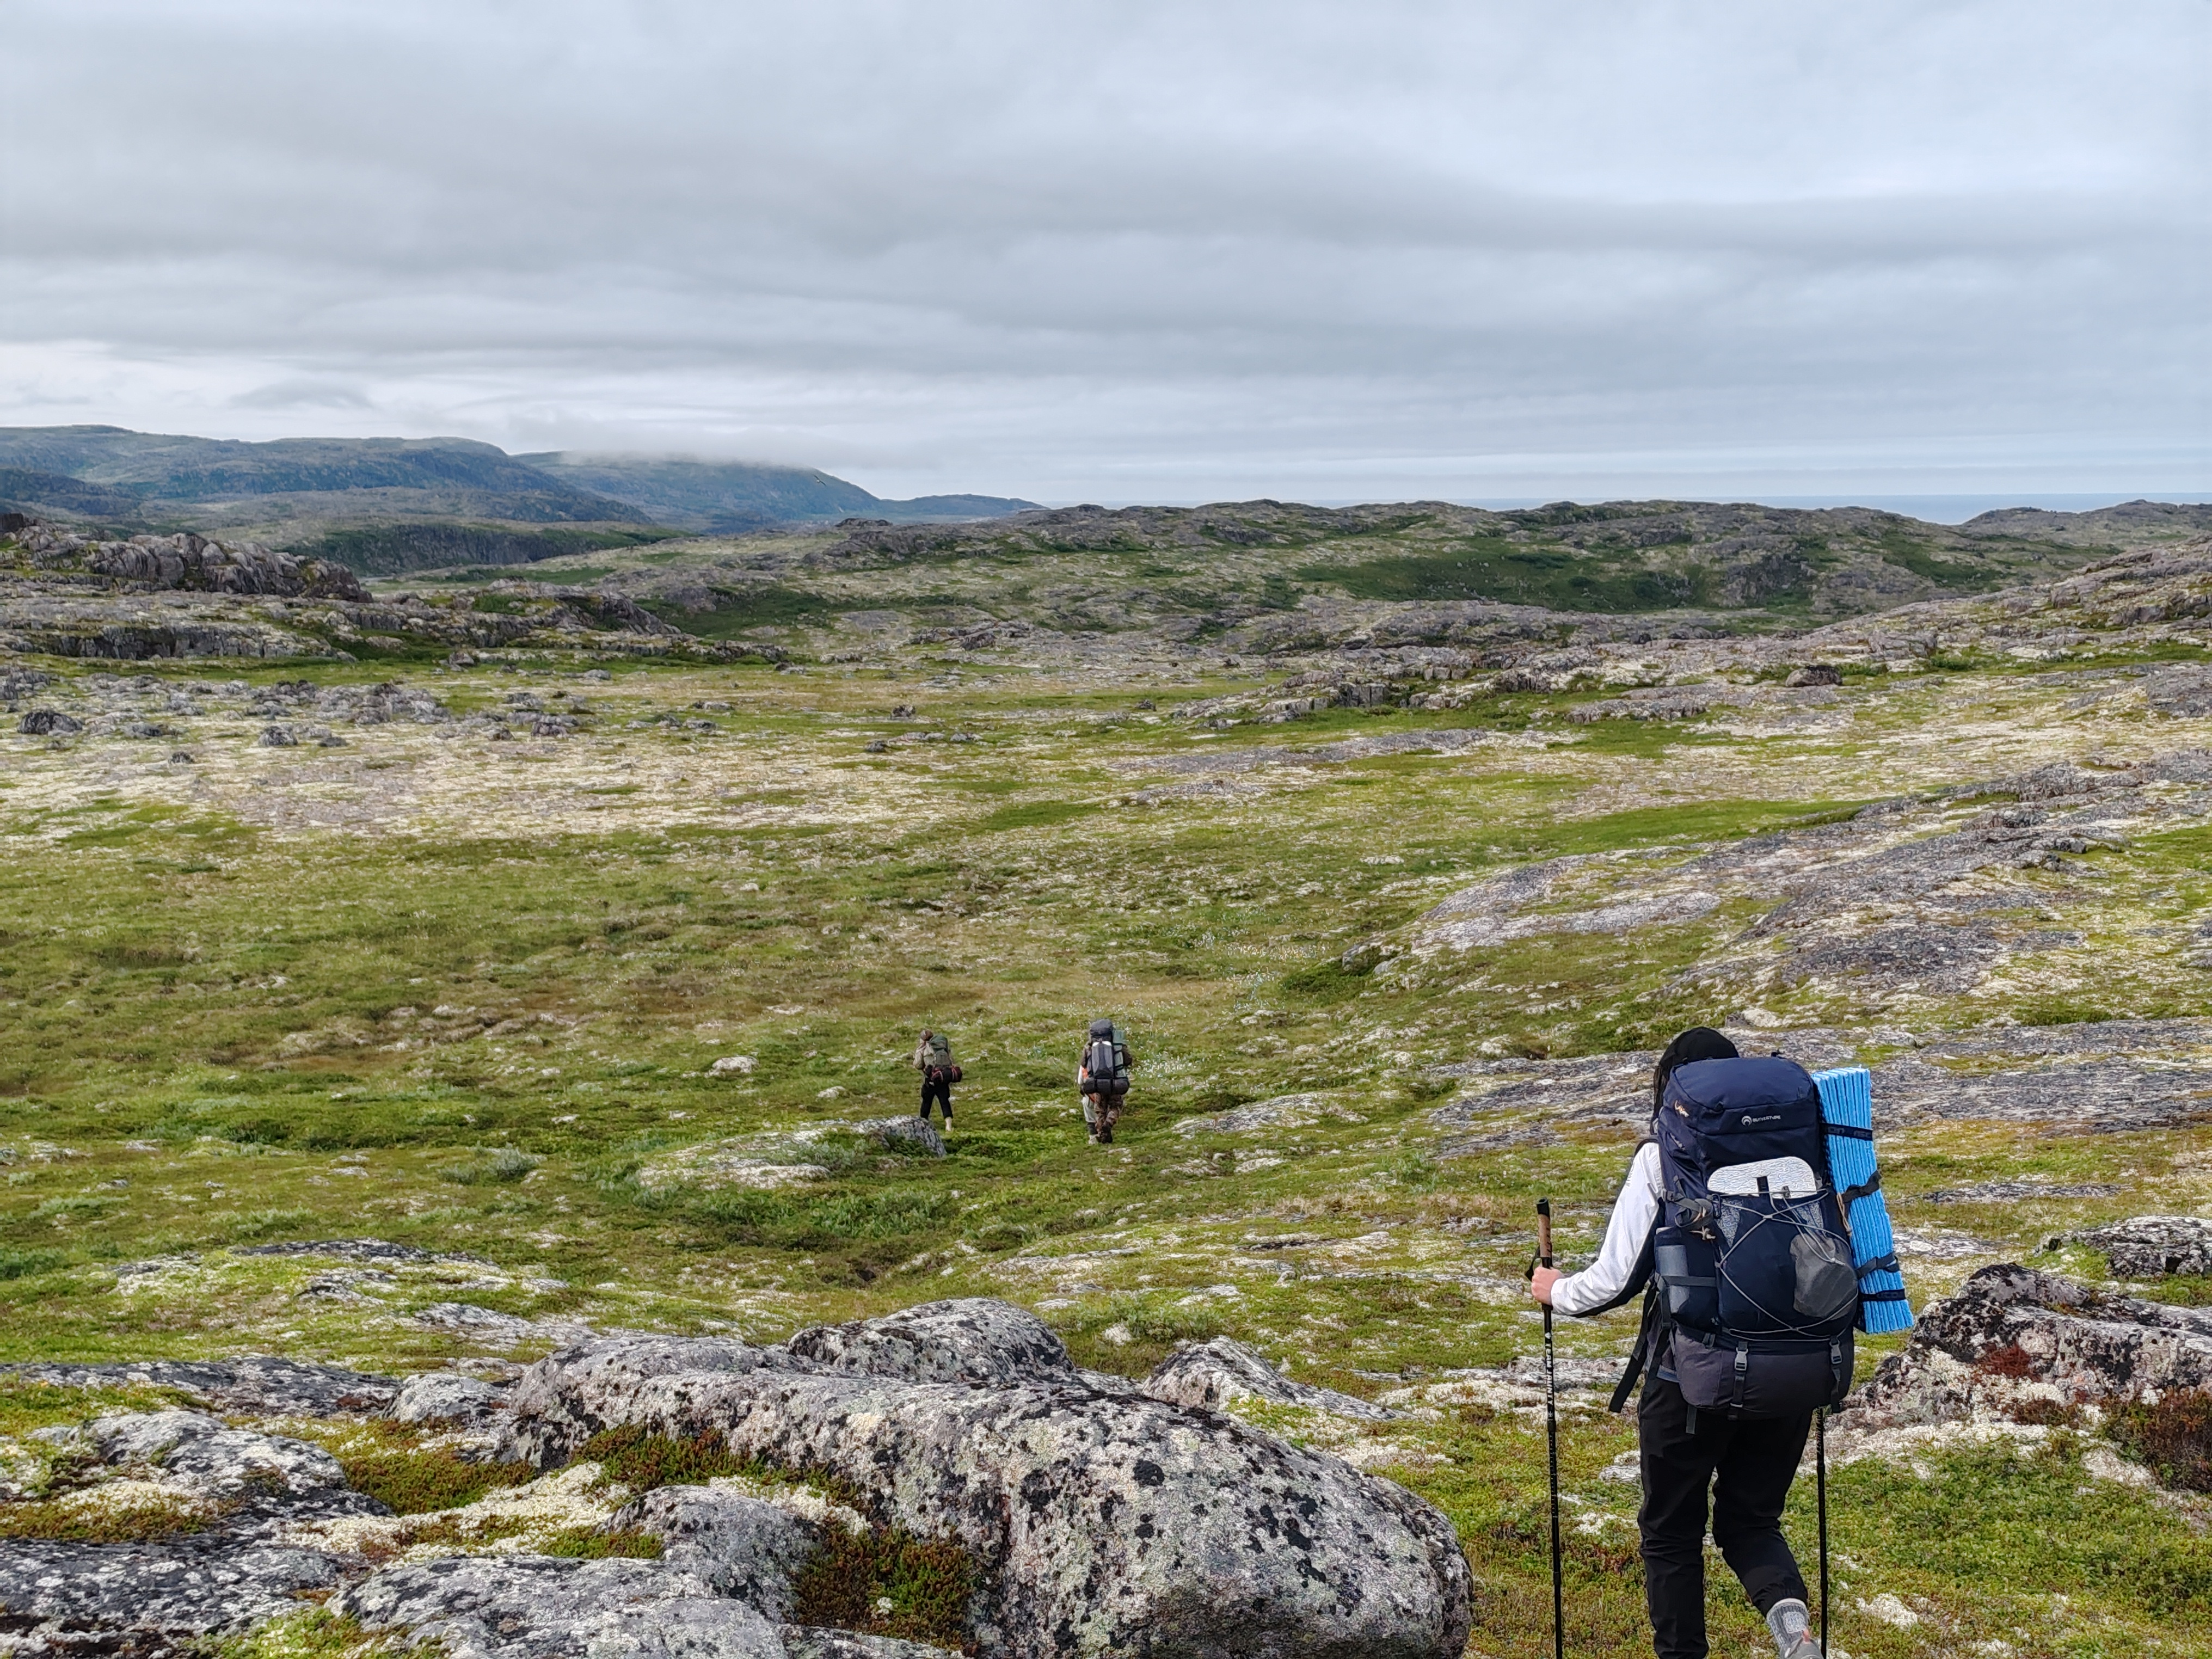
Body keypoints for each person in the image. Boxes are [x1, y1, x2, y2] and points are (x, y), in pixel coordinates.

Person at [1529, 1027, 1827, 1659]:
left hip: (1689, 1378)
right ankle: (1793, 1630)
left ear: (1673, 1088)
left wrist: (1551, 1290)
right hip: (1793, 1369)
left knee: (1669, 1534)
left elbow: (1614, 1280)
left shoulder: (1662, 1155)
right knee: (1751, 1521)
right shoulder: (1808, 1145)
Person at [1077, 1017, 1133, 1144]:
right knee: (1116, 1106)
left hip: (1097, 1083)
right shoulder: (1118, 1046)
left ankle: (1101, 1133)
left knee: (1100, 1110)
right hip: (1115, 1083)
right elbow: (1128, 1060)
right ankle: (1109, 1123)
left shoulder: (1090, 1048)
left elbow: (1084, 1064)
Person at [911, 1028, 957, 1133]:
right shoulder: (941, 1046)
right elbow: (951, 1059)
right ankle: (949, 1126)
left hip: (930, 1079)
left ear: (922, 1039)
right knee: (945, 1101)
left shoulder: (922, 1048)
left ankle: (923, 1124)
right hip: (942, 1077)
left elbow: (918, 1065)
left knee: (927, 1101)